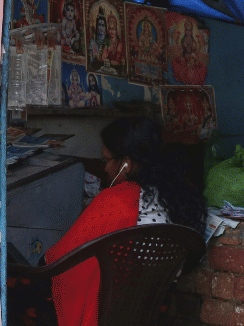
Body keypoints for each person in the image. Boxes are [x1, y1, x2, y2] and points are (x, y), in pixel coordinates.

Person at [44, 117, 204, 326]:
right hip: (146, 310)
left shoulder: (117, 200)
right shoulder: (179, 197)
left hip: (106, 311)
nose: (106, 169)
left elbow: (59, 259)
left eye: (106, 160)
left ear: (126, 164)